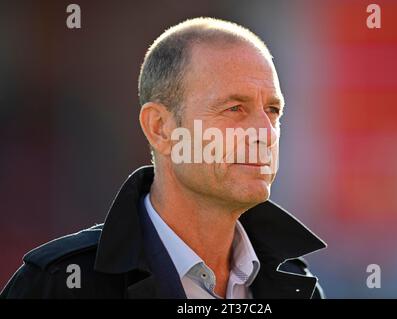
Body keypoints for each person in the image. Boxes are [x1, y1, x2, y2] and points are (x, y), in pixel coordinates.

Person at [1, 17, 326, 299]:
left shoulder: (298, 284)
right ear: (160, 128)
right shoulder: (58, 285)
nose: (266, 133)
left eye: (273, 110)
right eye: (235, 108)